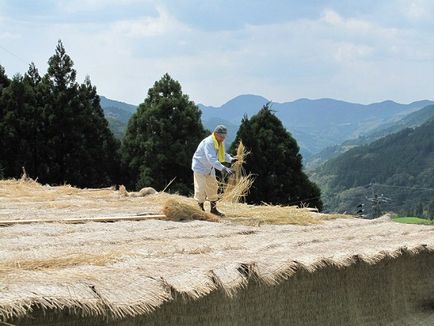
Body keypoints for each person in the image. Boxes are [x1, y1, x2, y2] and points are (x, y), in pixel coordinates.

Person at [192, 125, 236, 216]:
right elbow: (211, 158)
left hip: (210, 168)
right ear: (215, 134)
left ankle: (213, 209)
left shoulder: (219, 142)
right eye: (221, 136)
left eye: (224, 136)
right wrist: (223, 168)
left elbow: (222, 154)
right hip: (200, 167)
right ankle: (200, 210)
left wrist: (231, 159)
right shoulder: (209, 142)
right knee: (200, 188)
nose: (223, 138)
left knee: (213, 187)